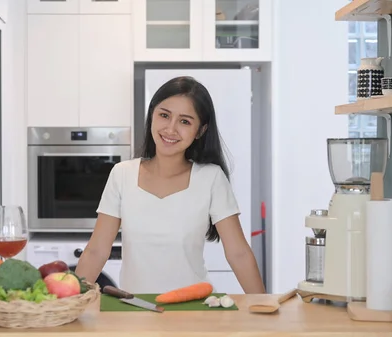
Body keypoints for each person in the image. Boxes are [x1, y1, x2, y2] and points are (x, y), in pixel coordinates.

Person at [75, 76, 265, 294]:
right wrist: (71, 304)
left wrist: (263, 304)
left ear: (200, 131)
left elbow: (238, 253)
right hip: (135, 309)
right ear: (152, 115)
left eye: (185, 121)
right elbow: (96, 251)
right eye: (164, 115)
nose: (171, 129)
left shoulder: (211, 178)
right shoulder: (122, 174)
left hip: (194, 308)